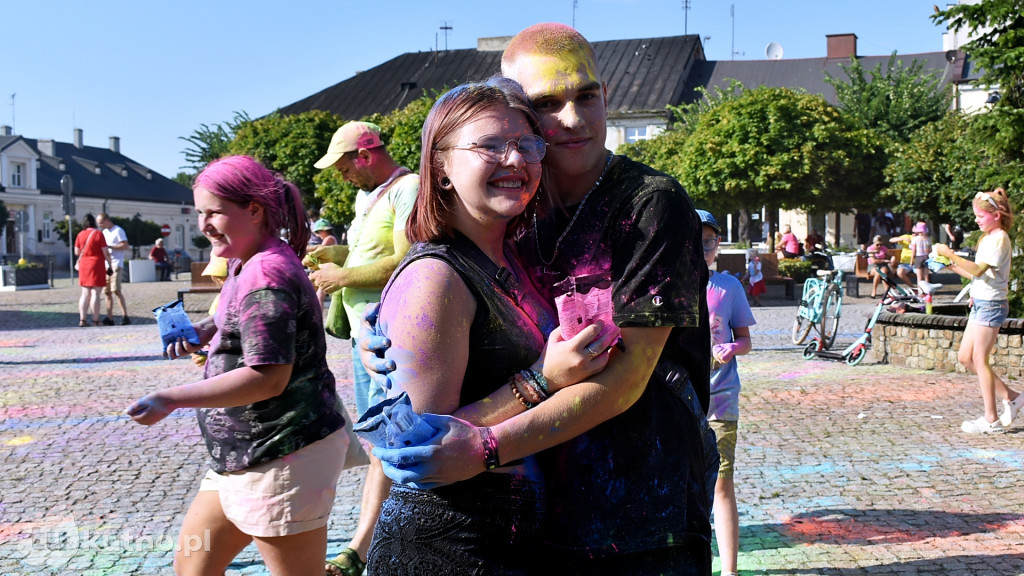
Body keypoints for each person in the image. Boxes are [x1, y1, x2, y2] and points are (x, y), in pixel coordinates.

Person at [361, 23, 716, 575]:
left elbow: (627, 377)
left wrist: (486, 445)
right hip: (536, 526)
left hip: (644, 518)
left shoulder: (653, 204)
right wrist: (391, 332)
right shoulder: (517, 211)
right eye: (548, 104)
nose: (573, 118)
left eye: (587, 95)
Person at [362, 77, 613, 576]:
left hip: (509, 540)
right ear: (441, 167)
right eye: (490, 145)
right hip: (450, 547)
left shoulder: (509, 254)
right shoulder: (435, 276)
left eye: (526, 144)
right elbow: (418, 450)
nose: (516, 161)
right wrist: (541, 381)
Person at [125, 155, 346, 575]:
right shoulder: (247, 261)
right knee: (193, 566)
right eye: (199, 213)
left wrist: (169, 399)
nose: (203, 224)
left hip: (282, 456)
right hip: (240, 456)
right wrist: (209, 328)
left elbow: (268, 378)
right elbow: (242, 319)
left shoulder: (267, 275)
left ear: (255, 211)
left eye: (214, 213)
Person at [307, 121, 419, 576]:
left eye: (342, 166)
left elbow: (410, 259)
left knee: (392, 438)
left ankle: (369, 543)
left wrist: (344, 277)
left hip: (388, 334)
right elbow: (370, 253)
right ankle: (379, 536)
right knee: (380, 441)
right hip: (362, 335)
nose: (341, 176)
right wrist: (339, 257)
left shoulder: (407, 189)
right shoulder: (366, 196)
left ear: (365, 155)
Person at [935, 188, 1023, 434]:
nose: (976, 220)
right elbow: (975, 274)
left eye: (980, 215)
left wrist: (950, 253)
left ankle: (991, 419)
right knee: (966, 357)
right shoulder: (986, 238)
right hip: (981, 301)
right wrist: (949, 264)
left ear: (995, 214)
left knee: (979, 359)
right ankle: (1013, 398)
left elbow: (978, 270)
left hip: (992, 304)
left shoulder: (999, 238)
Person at [698, 210, 754, 576]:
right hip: (677, 400)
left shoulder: (729, 287)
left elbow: (746, 340)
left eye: (709, 241)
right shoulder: (668, 286)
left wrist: (731, 348)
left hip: (720, 399)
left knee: (721, 483)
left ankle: (730, 571)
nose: (702, 247)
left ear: (718, 245)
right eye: (695, 240)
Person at [73, 213, 113, 327]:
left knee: (85, 293)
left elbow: (76, 252)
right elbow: (105, 252)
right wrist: (109, 265)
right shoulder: (98, 234)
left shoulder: (80, 234)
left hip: (84, 264)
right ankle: (96, 320)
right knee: (96, 293)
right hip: (97, 264)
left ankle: (82, 319)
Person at [96, 212, 130, 325]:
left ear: (107, 220)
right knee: (107, 292)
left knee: (116, 290)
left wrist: (111, 246)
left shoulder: (118, 231)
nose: (100, 225)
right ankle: (109, 317)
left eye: (101, 222)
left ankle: (125, 315)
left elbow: (125, 245)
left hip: (116, 263)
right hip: (106, 264)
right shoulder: (104, 232)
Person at [309, 218, 338, 309]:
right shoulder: (331, 238)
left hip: (331, 271)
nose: (318, 235)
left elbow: (319, 250)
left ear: (323, 231)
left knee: (319, 296)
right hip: (331, 270)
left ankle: (319, 319)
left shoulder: (329, 239)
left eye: (318, 232)